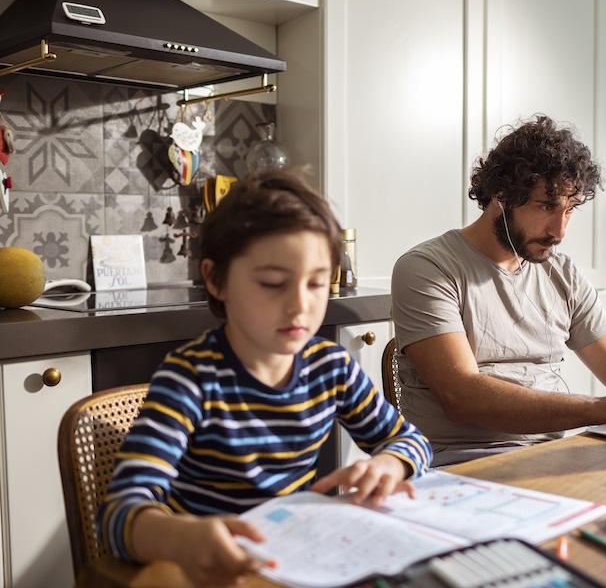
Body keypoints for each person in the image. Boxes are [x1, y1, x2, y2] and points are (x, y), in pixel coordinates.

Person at [98, 170, 432, 587]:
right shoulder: (190, 379)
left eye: (316, 284)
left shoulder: (331, 367)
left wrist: (389, 462)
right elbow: (117, 514)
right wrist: (179, 538)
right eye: (273, 283)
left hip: (294, 558)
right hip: (209, 569)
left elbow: (412, 441)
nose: (299, 305)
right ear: (216, 280)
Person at [391, 115, 606, 466]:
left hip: (552, 454)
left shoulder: (563, 273)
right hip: (463, 462)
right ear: (501, 195)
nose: (559, 231)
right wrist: (601, 407)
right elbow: (461, 395)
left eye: (570, 209)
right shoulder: (428, 269)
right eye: (547, 206)